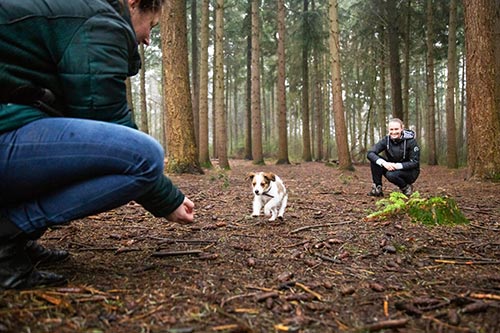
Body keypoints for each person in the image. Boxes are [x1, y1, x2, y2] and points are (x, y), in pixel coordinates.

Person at [0, 0, 195, 290]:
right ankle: (7, 234)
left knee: (71, 147)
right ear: (132, 3)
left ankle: (19, 239)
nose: (148, 38)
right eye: (150, 25)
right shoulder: (101, 23)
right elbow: (108, 122)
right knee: (146, 157)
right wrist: (167, 200)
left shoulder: (77, 13)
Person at [367, 118, 420, 197]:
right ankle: (377, 188)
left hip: (409, 172)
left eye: (396, 129)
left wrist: (397, 166)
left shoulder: (411, 142)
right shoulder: (386, 140)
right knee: (375, 160)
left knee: (391, 174)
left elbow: (415, 162)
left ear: (402, 128)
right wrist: (383, 163)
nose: (394, 132)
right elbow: (370, 153)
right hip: (391, 167)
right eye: (391, 129)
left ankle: (406, 187)